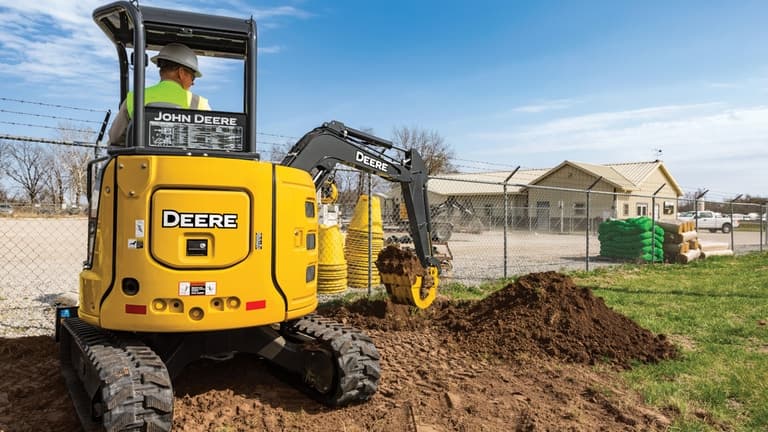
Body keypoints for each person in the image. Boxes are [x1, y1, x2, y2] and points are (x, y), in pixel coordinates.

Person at [108, 43, 211, 144]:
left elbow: (115, 138)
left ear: (161, 72)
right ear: (181, 73)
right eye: (192, 78)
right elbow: (208, 141)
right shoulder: (199, 103)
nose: (193, 83)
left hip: (142, 161)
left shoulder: (134, 97)